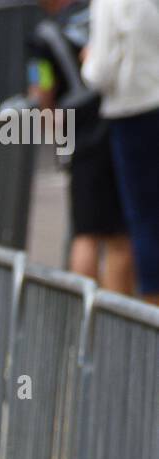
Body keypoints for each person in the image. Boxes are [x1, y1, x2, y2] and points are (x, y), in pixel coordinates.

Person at [27, 1, 135, 293]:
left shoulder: (43, 36)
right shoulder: (98, 12)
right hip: (124, 120)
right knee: (121, 233)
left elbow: (41, 91)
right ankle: (120, 307)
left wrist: (53, 130)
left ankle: (87, 313)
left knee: (86, 231)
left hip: (81, 133)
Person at [82, 0, 159, 304]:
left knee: (143, 219)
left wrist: (87, 60)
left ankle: (153, 309)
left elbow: (99, 71)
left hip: (132, 111)